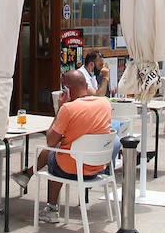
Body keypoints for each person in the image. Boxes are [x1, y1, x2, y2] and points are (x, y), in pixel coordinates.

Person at [11, 71, 115, 222]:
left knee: (54, 154)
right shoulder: (105, 103)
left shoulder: (68, 109)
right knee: (58, 152)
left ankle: (52, 209)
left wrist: (60, 108)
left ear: (67, 90)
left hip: (72, 169)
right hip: (98, 167)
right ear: (86, 85)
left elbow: (51, 140)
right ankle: (26, 175)